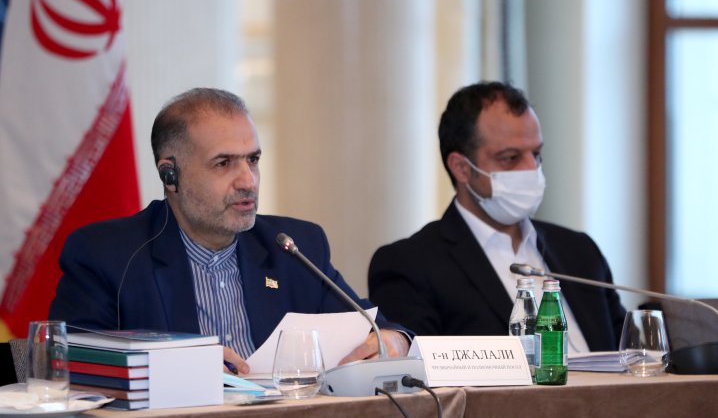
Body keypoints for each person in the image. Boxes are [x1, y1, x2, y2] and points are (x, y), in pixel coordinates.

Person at [50, 88, 409, 374]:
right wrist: (178, 365)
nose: (248, 181)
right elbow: (68, 363)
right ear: (169, 175)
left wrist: (394, 340)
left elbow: (373, 327)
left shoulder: (292, 247)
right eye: (223, 163)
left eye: (253, 159)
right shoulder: (108, 255)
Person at [368, 82, 626, 352]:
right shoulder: (410, 265)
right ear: (461, 168)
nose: (531, 168)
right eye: (510, 157)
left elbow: (628, 352)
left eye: (536, 154)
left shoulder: (579, 250)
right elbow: (416, 368)